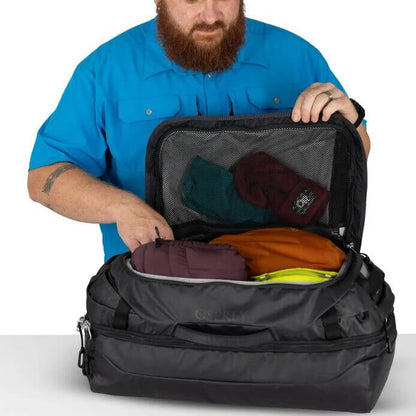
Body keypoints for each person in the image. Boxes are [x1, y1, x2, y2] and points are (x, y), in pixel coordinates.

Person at [27, 0, 371, 261]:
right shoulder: (104, 71)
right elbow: (43, 177)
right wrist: (121, 207)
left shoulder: (297, 56)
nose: (210, 15)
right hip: (155, 284)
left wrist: (351, 122)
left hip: (288, 277)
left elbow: (355, 155)